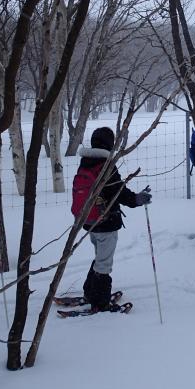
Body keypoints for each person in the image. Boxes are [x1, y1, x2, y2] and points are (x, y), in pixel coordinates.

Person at [77, 127, 152, 312]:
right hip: (105, 222)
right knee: (104, 262)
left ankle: (90, 292)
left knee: (100, 256)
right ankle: (100, 302)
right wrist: (136, 199)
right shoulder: (105, 165)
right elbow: (117, 191)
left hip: (89, 220)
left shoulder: (86, 162)